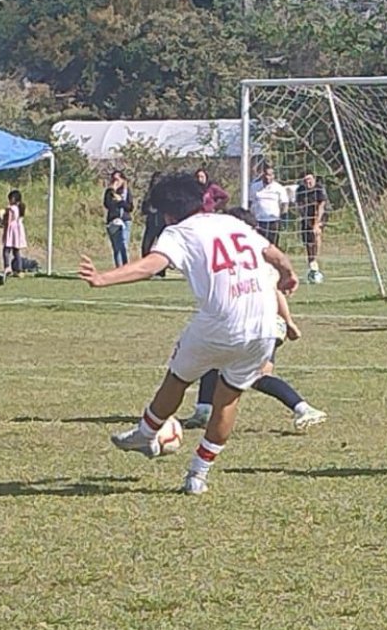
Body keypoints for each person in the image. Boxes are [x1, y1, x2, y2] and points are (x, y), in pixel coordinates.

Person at [79, 171, 300, 497]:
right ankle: (198, 475)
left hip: (220, 323)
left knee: (178, 379)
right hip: (265, 326)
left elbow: (149, 266)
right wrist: (288, 274)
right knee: (229, 398)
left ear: (168, 213)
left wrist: (102, 278)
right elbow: (275, 254)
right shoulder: (233, 222)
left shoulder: (177, 232)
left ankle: (146, 431)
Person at [183, 203, 326, 432]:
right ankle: (203, 410)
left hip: (263, 324)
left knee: (255, 374)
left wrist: (289, 323)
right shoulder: (239, 254)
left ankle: (304, 408)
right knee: (215, 360)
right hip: (248, 322)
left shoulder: (256, 257)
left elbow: (275, 291)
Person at [295, 170, 328, 282]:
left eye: (309, 179)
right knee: (308, 242)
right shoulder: (300, 190)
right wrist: (305, 218)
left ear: (314, 179)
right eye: (305, 180)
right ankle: (311, 263)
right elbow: (299, 206)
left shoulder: (319, 189)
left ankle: (314, 262)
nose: (308, 182)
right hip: (306, 216)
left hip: (319, 215)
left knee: (316, 234)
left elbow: (321, 206)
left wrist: (316, 224)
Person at [249, 161, 290, 246]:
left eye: (270, 175)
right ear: (262, 174)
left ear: (274, 175)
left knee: (272, 245)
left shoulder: (279, 188)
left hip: (273, 221)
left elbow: (284, 204)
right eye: (266, 174)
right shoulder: (254, 187)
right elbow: (250, 202)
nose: (268, 177)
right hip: (259, 221)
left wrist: (283, 217)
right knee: (259, 245)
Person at [103, 169, 134, 267]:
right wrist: (112, 191)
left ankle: (126, 267)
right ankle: (119, 268)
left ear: (123, 180)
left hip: (125, 221)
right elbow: (108, 205)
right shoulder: (109, 192)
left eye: (117, 179)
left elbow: (129, 208)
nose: (115, 182)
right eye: (113, 180)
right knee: (116, 246)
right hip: (113, 221)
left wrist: (121, 201)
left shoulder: (126, 192)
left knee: (123, 244)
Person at [0, 189, 28, 276]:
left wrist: (1, 218)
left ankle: (7, 267)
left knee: (6, 250)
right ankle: (19, 270)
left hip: (11, 231)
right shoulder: (20, 208)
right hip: (17, 232)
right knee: (16, 251)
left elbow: (7, 216)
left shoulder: (12, 208)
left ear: (14, 199)